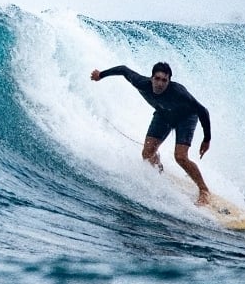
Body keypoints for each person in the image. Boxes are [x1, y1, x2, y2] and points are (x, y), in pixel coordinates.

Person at [90, 62, 212, 206]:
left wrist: (206, 139)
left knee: (180, 157)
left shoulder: (178, 92)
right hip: (163, 115)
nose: (160, 83)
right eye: (157, 79)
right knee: (147, 153)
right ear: (151, 78)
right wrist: (101, 75)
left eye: (164, 80)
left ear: (169, 81)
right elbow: (123, 69)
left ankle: (204, 190)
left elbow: (203, 111)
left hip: (185, 118)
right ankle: (159, 170)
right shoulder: (141, 83)